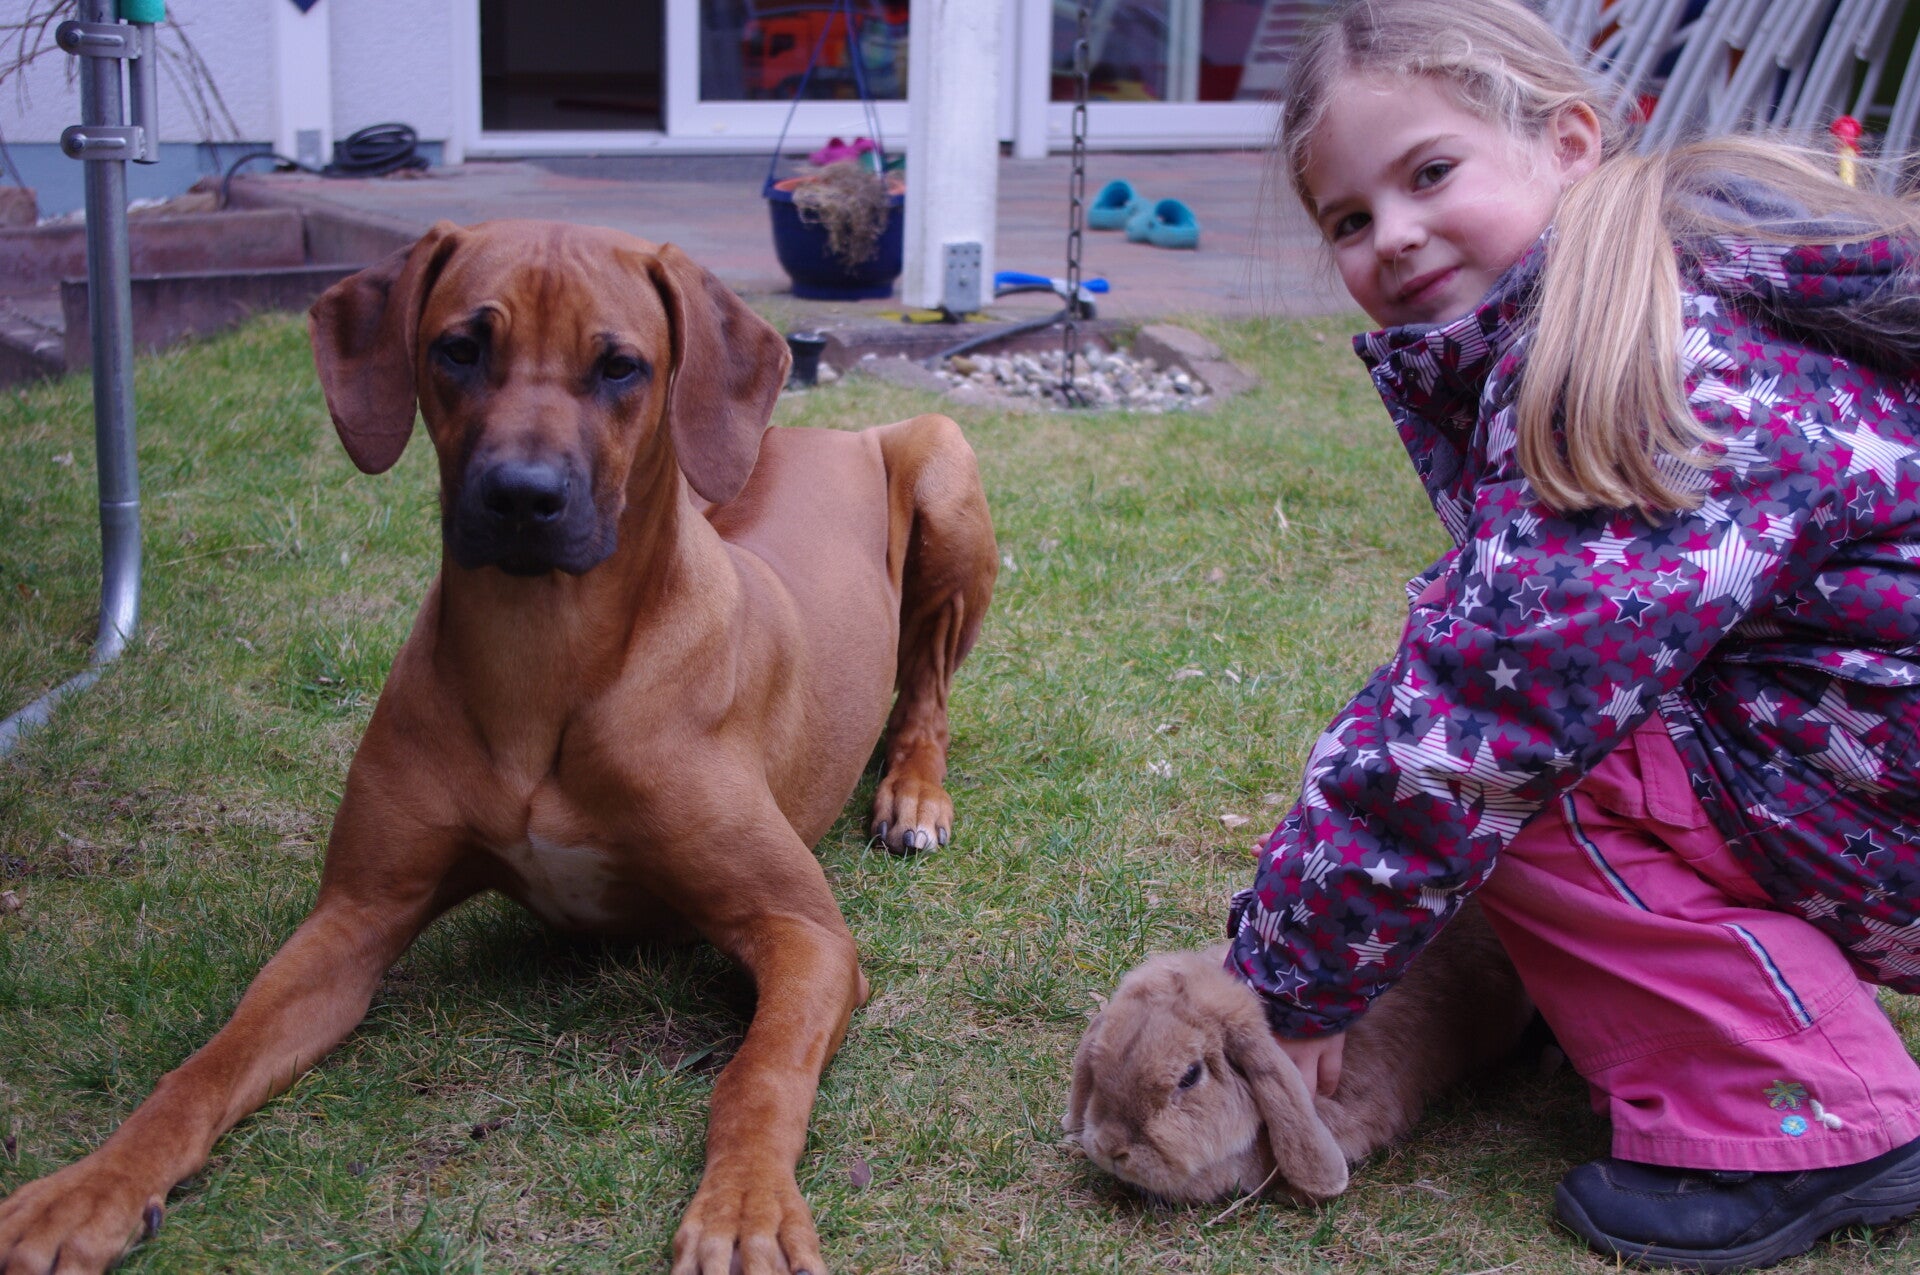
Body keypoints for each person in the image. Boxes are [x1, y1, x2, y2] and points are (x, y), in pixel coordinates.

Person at [1226, 0, 1920, 1268]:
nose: (1394, 233)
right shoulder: (1672, 280)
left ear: (1568, 140)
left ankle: (1806, 1115)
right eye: (1348, 219)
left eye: (1430, 172)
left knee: (1537, 768)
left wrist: (1290, 975)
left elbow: (1480, 722)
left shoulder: (1628, 361)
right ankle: (1656, 997)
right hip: (1878, 765)